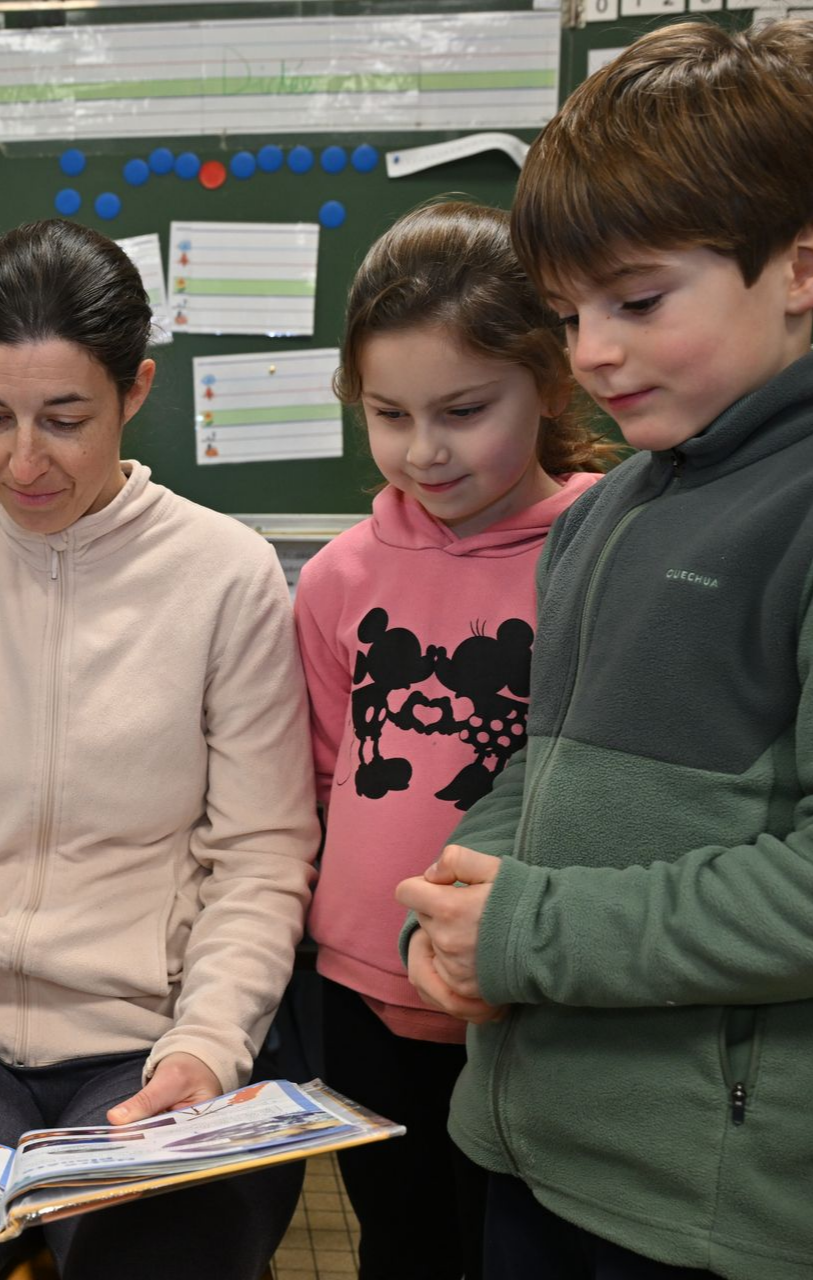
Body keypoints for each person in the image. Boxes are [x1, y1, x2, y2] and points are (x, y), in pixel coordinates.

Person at [393, 20, 813, 1280]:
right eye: (570, 310)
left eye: (641, 299)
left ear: (807, 259)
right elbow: (536, 769)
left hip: (718, 1214)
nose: (592, 350)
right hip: (533, 1152)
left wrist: (532, 931)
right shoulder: (604, 509)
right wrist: (459, 908)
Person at [0, 219, 317, 1279]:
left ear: (136, 390)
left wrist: (206, 1045)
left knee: (173, 1243)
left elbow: (263, 854)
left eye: (65, 418)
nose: (22, 459)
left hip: (149, 1040)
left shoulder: (226, 575)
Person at [298, 200, 611, 1280]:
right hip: (360, 993)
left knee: (517, 1249)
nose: (422, 450)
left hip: (524, 994)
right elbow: (332, 770)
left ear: (554, 379)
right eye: (388, 413)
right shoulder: (338, 576)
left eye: (465, 409)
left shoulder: (604, 548)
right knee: (401, 1244)